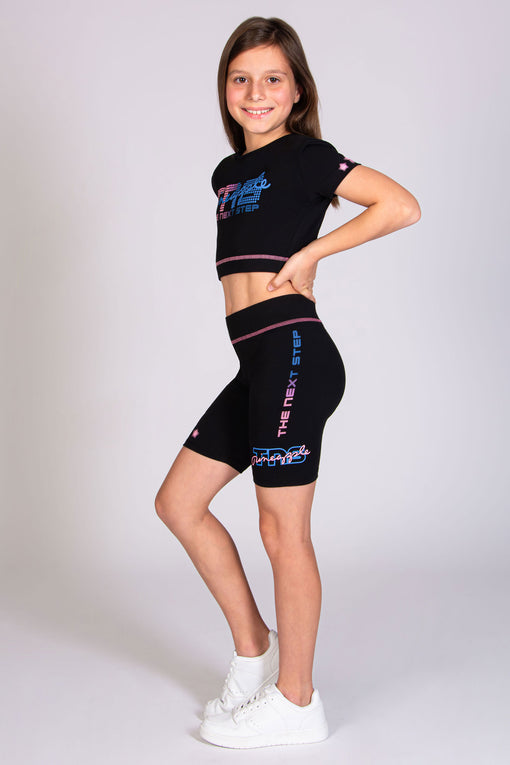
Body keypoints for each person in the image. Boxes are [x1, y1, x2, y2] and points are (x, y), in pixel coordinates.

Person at [154, 16, 420, 749]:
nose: (256, 92)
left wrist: (312, 255)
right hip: (259, 363)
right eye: (241, 79)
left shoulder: (308, 155)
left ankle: (298, 699)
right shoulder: (226, 173)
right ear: (224, 90)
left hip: (295, 354)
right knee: (179, 503)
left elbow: (400, 205)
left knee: (280, 529)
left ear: (297, 89)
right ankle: (256, 651)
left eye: (273, 78)